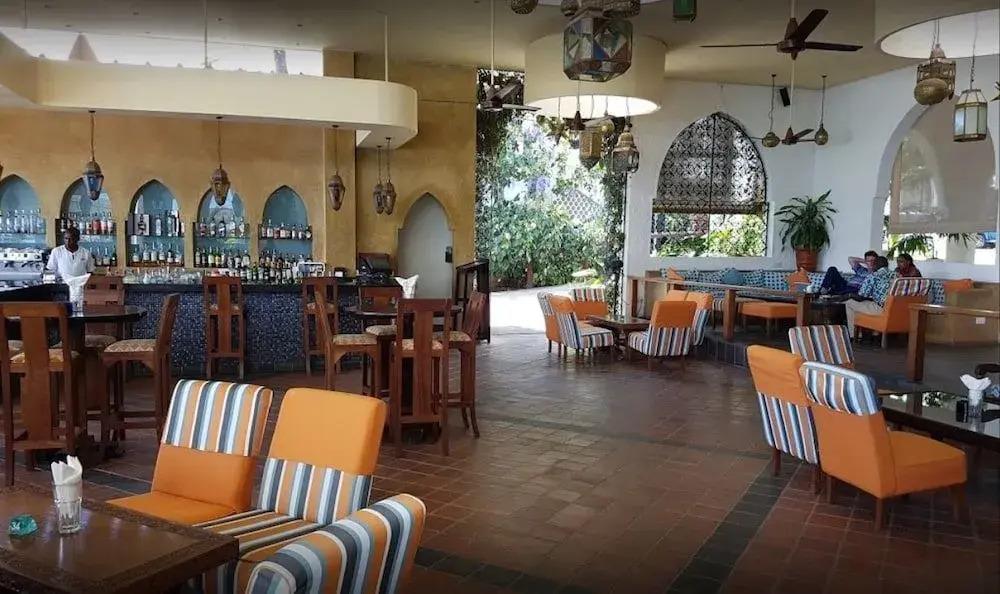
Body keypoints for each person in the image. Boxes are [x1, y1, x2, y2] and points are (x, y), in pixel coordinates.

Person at [843, 256, 894, 338]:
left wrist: (849, 295)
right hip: (894, 310)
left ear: (875, 265)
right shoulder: (898, 275)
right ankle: (875, 333)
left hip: (881, 309)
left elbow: (861, 296)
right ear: (887, 264)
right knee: (870, 303)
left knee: (849, 303)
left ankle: (854, 336)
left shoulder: (873, 276)